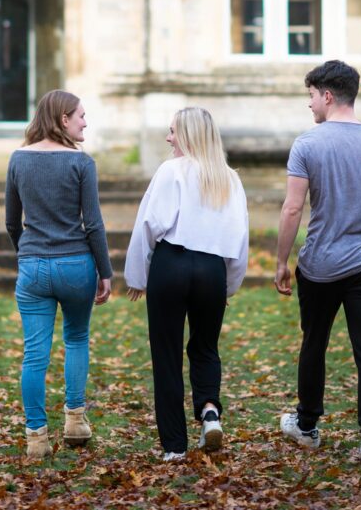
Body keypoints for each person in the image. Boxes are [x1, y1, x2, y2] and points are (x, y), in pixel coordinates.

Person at [274, 60, 361, 469]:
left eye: (311, 96)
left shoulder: (307, 145)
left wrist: (281, 261)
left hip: (319, 268)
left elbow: (293, 208)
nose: (309, 104)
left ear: (328, 96)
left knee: (314, 343)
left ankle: (308, 426)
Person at [124, 107, 248, 462]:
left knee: (166, 354)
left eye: (173, 131)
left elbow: (148, 225)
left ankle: (175, 446)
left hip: (171, 266)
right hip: (212, 270)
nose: (168, 138)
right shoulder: (229, 178)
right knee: (206, 347)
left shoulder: (171, 171)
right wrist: (229, 286)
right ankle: (210, 410)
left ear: (189, 135)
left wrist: (137, 275)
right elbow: (239, 240)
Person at [5, 89, 112, 459]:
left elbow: (10, 221)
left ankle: (36, 437)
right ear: (63, 119)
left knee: (34, 355)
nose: (86, 121)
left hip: (32, 266)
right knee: (77, 339)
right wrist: (105, 271)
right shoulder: (82, 164)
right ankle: (75, 421)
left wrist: (28, 254)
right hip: (75, 265)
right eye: (81, 115)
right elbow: (94, 225)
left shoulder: (18, 159)